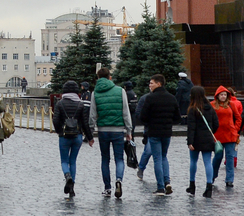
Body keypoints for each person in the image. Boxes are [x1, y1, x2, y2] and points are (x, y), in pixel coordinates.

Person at [89, 67, 133, 198]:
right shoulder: (120, 91)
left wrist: (91, 131)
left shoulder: (95, 93)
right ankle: (118, 180)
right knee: (119, 159)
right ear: (110, 77)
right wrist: (129, 130)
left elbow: (92, 115)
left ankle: (107, 188)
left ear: (98, 78)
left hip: (103, 130)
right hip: (118, 130)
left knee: (105, 159)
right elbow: (126, 112)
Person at [139, 74, 179, 196]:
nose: (149, 85)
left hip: (154, 132)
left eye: (151, 83)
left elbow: (142, 117)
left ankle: (160, 187)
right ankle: (167, 181)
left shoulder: (150, 98)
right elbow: (177, 118)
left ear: (159, 84)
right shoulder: (172, 98)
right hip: (166, 132)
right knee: (164, 157)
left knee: (157, 159)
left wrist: (150, 122)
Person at [53, 80, 94, 198]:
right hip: (77, 136)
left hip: (64, 136)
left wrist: (59, 131)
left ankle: (67, 176)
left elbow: (55, 120)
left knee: (64, 161)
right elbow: (85, 123)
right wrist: (90, 138)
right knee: (73, 161)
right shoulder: (80, 104)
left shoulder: (60, 104)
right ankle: (72, 188)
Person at [185, 85, 218, 198]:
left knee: (193, 161)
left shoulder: (193, 109)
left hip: (196, 140)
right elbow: (216, 124)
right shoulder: (210, 107)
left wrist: (190, 142)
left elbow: (191, 127)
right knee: (207, 162)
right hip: (208, 139)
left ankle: (192, 185)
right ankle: (209, 187)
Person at [210, 86, 241, 188]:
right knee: (218, 156)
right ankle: (212, 176)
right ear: (217, 95)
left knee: (230, 157)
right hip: (217, 136)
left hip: (230, 135)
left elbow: (238, 118)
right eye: (221, 95)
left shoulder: (231, 104)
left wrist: (235, 129)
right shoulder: (212, 105)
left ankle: (229, 180)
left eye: (225, 95)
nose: (223, 97)